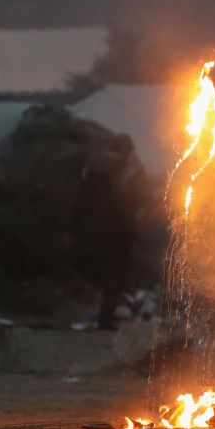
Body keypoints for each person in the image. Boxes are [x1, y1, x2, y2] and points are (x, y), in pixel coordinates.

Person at [69, 135, 152, 330]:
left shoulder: (96, 167)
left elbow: (81, 199)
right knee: (116, 275)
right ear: (128, 150)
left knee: (100, 273)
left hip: (95, 228)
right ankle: (105, 320)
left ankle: (98, 314)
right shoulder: (131, 169)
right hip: (120, 230)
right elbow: (143, 197)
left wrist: (72, 229)